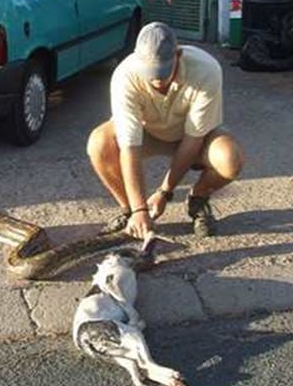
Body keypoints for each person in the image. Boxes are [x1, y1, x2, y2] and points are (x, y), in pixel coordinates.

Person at [87, 22, 244, 240]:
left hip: (192, 138)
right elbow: (129, 148)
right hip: (148, 133)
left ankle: (198, 199)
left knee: (230, 159)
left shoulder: (206, 69)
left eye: (162, 74)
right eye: (150, 74)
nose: (156, 81)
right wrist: (140, 209)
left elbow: (193, 139)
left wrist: (164, 192)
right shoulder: (125, 76)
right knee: (98, 142)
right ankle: (131, 211)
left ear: (178, 56)